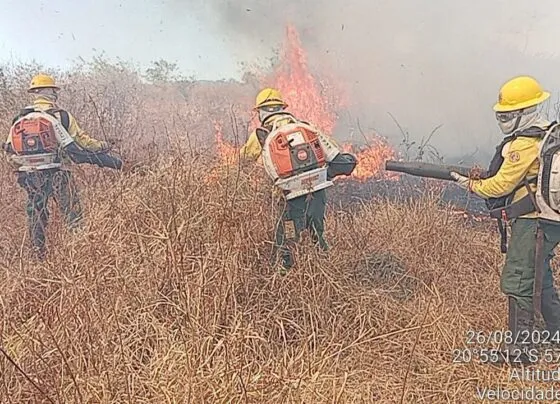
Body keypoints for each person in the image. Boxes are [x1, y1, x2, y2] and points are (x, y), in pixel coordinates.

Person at [451, 75, 560, 365]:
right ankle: (555, 335)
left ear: (526, 112)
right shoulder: (547, 134)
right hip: (548, 220)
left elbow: (500, 186)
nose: (504, 119)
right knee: (541, 278)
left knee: (518, 280)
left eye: (509, 114)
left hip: (532, 221)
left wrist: (469, 184)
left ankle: (520, 352)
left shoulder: (523, 144)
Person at [2, 73, 124, 260]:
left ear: (33, 93)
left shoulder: (20, 118)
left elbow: (9, 149)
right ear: (51, 92)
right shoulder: (61, 116)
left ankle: (37, 257)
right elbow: (82, 143)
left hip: (29, 176)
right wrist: (104, 148)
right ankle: (82, 254)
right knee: (72, 213)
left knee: (36, 214)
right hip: (58, 172)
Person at [240, 88, 355, 274]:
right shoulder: (304, 126)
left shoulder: (262, 133)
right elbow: (332, 150)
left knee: (288, 228)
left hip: (287, 193)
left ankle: (285, 267)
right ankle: (324, 264)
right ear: (282, 108)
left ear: (261, 111)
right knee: (316, 227)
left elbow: (243, 160)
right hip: (316, 187)